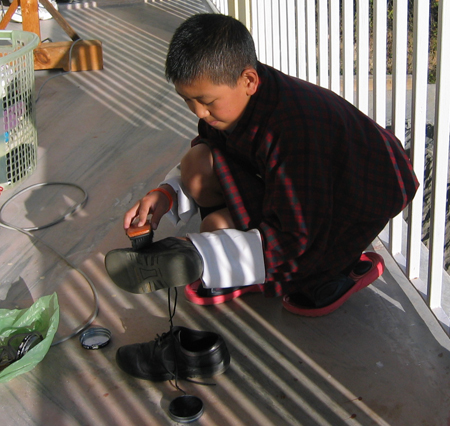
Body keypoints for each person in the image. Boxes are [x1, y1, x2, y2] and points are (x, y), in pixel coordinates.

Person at [105, 13, 418, 317]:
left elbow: (299, 234)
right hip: (304, 183)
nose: (199, 113)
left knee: (283, 272)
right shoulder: (235, 93)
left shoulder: (294, 130)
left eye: (206, 101)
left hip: (356, 195)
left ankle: (343, 268)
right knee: (198, 164)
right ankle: (242, 263)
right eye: (188, 100)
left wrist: (202, 254)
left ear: (249, 81)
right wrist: (167, 194)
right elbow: (212, 149)